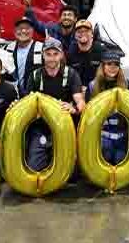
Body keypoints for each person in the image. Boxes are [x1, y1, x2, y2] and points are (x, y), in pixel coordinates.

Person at [25, 38, 85, 171]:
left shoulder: (71, 74)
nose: (52, 58)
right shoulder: (35, 76)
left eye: (55, 54)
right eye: (48, 54)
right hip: (41, 128)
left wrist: (74, 109)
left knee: (71, 174)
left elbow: (80, 102)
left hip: (65, 128)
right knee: (34, 168)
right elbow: (26, 103)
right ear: (43, 55)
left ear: (61, 55)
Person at [83, 49, 129, 166]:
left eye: (116, 64)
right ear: (103, 65)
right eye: (109, 64)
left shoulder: (126, 84)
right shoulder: (93, 86)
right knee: (105, 158)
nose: (113, 67)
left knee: (120, 161)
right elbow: (88, 115)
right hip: (102, 136)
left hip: (121, 137)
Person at [7, 16, 44, 92]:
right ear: (14, 31)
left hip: (35, 94)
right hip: (13, 94)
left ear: (33, 31)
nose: (23, 31)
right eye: (20, 28)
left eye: (27, 28)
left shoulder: (42, 48)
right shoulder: (8, 48)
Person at [66, 19, 104, 85]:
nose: (83, 33)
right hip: (77, 89)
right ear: (75, 36)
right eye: (79, 31)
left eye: (86, 31)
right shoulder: (71, 52)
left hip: (97, 87)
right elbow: (68, 76)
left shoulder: (100, 50)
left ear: (92, 34)